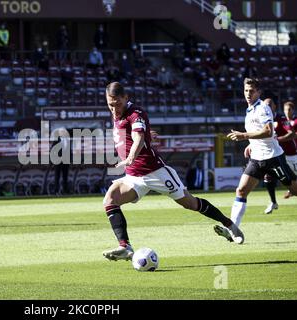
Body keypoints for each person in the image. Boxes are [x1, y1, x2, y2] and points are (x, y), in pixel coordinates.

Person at [102, 82, 244, 261]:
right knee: (110, 199)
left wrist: (131, 156)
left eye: (117, 104)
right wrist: (147, 136)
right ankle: (125, 247)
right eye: (110, 105)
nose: (114, 109)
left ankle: (230, 225)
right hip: (133, 176)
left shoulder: (135, 113)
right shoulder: (118, 114)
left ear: (126, 98)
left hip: (155, 172)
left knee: (190, 203)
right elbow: (135, 134)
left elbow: (137, 137)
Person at [218, 78, 297, 241]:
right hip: (257, 159)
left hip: (273, 158)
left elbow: (269, 132)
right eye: (246, 90)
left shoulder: (263, 108)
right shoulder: (249, 110)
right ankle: (233, 230)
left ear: (259, 92)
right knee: (241, 191)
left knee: (295, 190)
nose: (248, 94)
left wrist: (244, 136)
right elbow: (258, 133)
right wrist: (251, 144)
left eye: (252, 91)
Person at [52, 128, 71, 195]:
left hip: (66, 162)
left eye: (64, 132)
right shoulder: (56, 140)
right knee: (57, 176)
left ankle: (65, 190)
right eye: (61, 132)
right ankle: (56, 190)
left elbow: (69, 151)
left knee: (65, 177)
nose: (63, 133)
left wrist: (70, 160)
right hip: (58, 161)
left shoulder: (68, 140)